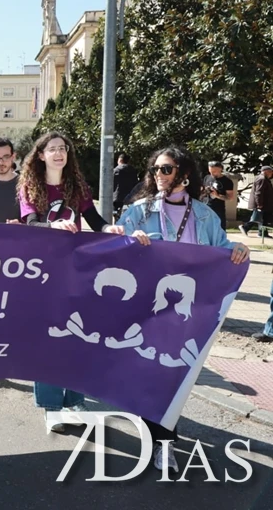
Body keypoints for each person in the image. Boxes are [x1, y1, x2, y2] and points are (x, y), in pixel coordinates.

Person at [117, 145, 248, 472]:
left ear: (184, 175)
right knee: (151, 376)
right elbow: (114, 242)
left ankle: (163, 442)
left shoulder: (204, 215)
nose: (158, 176)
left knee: (173, 379)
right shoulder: (139, 211)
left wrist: (238, 248)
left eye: (166, 169)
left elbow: (222, 247)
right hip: (147, 309)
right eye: (155, 170)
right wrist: (127, 239)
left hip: (187, 313)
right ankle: (160, 439)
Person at [17, 131, 146, 435]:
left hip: (78, 271)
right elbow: (32, 223)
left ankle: (74, 399)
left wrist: (109, 228)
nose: (59, 153)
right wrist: (54, 225)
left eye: (63, 149)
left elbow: (94, 219)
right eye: (52, 149)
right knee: (50, 338)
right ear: (41, 155)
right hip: (44, 273)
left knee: (78, 334)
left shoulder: (78, 186)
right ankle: (51, 406)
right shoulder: (29, 186)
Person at [239, 166, 273, 237]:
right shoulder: (262, 179)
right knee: (258, 218)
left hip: (265, 203)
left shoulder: (264, 179)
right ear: (266, 171)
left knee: (262, 218)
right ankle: (245, 227)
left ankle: (262, 233)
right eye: (270, 172)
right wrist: (259, 204)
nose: (271, 174)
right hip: (262, 203)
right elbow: (259, 193)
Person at [201, 160, 235, 230]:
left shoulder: (227, 181)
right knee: (204, 229)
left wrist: (217, 195)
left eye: (214, 172)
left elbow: (230, 198)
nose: (212, 174)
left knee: (220, 230)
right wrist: (204, 191)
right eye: (210, 171)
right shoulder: (207, 177)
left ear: (220, 169)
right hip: (205, 207)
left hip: (218, 209)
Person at [113, 153, 140, 218]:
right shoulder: (133, 171)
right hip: (130, 197)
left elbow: (112, 184)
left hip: (117, 198)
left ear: (120, 160)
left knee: (116, 215)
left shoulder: (116, 170)